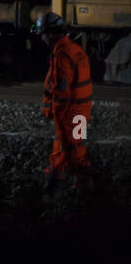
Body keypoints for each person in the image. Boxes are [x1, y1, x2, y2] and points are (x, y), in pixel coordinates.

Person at [33, 12, 94, 189]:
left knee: (71, 150)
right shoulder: (75, 50)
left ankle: (81, 188)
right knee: (73, 147)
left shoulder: (61, 56)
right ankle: (56, 183)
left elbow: (61, 92)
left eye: (43, 33)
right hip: (81, 111)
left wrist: (58, 120)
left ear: (51, 34)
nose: (42, 38)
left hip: (68, 115)